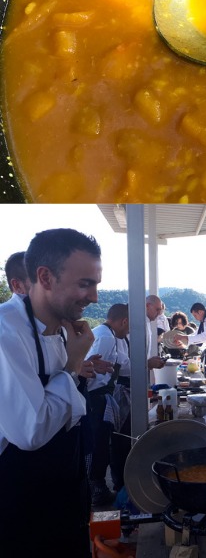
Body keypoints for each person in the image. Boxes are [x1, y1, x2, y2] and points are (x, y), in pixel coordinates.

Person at [0, 228, 101, 555]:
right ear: (44, 277)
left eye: (96, 283)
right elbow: (32, 430)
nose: (95, 297)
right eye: (84, 284)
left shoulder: (62, 329)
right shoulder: (6, 332)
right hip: (22, 505)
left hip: (66, 491)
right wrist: (73, 364)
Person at [85, 303, 129, 506]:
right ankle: (97, 490)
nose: (128, 332)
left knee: (103, 443)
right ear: (124, 321)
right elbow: (90, 370)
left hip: (99, 396)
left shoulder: (104, 333)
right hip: (95, 398)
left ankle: (98, 487)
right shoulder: (107, 337)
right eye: (128, 328)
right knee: (99, 445)